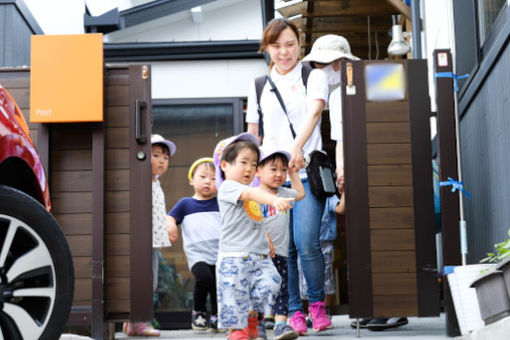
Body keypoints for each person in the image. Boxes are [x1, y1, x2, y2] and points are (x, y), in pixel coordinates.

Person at [303, 35, 408, 332]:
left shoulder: (372, 81)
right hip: (369, 171)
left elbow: (395, 118)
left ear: (339, 61)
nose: (321, 70)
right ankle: (375, 308)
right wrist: (342, 171)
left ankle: (391, 308)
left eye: (324, 64)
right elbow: (339, 141)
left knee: (384, 239)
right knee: (369, 242)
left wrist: (344, 168)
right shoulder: (338, 96)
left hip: (384, 168)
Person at [246, 18, 330, 335]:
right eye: (276, 46)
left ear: (300, 45)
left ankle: (318, 305)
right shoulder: (258, 85)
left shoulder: (314, 75)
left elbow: (314, 113)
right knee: (284, 250)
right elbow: (254, 134)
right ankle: (294, 311)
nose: (284, 52)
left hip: (305, 172)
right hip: (272, 181)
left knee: (307, 242)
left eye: (290, 44)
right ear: (267, 48)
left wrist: (296, 148)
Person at [213, 133, 294, 340]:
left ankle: (250, 316)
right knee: (233, 295)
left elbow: (256, 219)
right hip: (234, 256)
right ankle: (237, 331)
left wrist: (266, 237)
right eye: (243, 163)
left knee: (273, 281)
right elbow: (251, 195)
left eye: (253, 163)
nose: (249, 168)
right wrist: (274, 201)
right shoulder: (228, 187)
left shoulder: (251, 192)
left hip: (259, 255)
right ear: (224, 165)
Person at [125, 134, 176, 337]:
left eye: (165, 157)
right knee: (143, 281)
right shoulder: (142, 181)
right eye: (156, 155)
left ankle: (133, 322)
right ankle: (137, 323)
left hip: (152, 240)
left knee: (150, 281)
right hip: (142, 240)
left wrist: (167, 225)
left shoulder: (156, 183)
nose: (162, 161)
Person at [256, 145, 305, 340]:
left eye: (283, 169)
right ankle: (257, 325)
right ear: (258, 171)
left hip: (281, 253)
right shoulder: (254, 195)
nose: (279, 174)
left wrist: (293, 174)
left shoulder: (284, 193)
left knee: (281, 289)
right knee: (258, 290)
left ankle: (281, 325)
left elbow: (300, 194)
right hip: (258, 253)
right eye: (273, 169)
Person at [167, 157, 222, 332]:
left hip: (219, 252)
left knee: (217, 284)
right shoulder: (186, 203)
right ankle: (199, 312)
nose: (208, 181)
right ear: (191, 180)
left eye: (214, 179)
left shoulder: (220, 203)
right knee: (204, 277)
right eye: (203, 176)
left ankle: (217, 317)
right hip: (197, 254)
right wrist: (171, 227)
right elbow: (170, 217)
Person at [299, 193, 345, 326]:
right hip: (304, 245)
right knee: (305, 281)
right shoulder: (300, 192)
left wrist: (344, 190)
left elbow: (340, 208)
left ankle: (325, 311)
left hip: (323, 243)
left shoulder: (326, 194)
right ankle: (311, 314)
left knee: (325, 280)